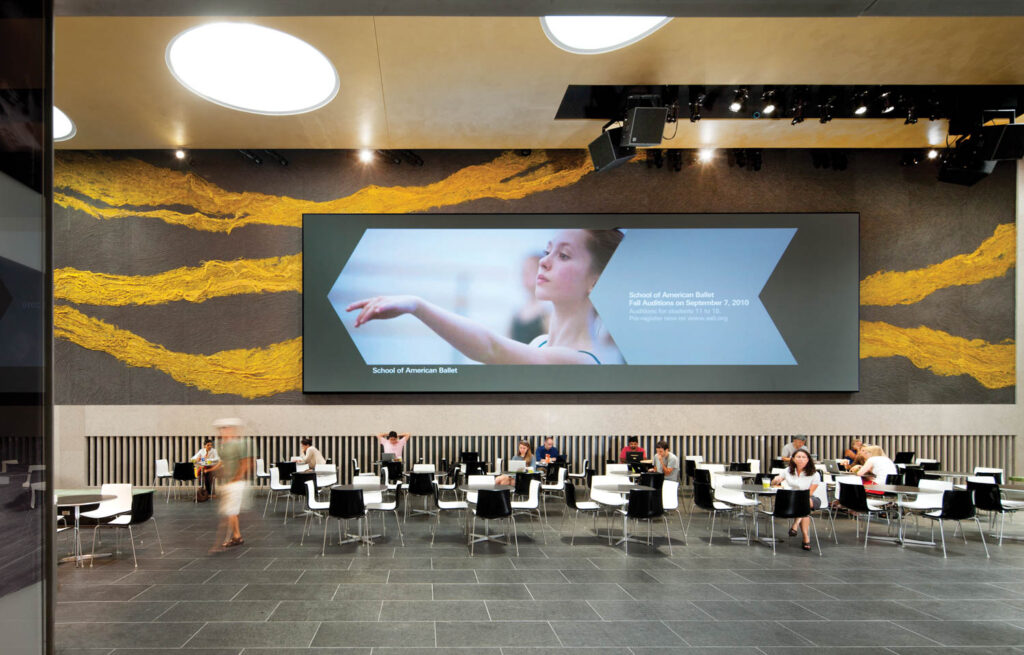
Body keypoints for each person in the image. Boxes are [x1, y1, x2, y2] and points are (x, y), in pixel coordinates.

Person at [346, 228, 624, 365]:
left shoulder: (583, 359)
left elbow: (492, 348)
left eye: (563, 255)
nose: (544, 262)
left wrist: (417, 306)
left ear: (595, 281)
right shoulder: (539, 343)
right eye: (547, 250)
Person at [771, 449, 826, 551]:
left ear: (808, 460)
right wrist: (776, 480)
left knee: (804, 502)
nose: (801, 459)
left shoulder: (815, 474)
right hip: (794, 499)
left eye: (804, 457)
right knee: (804, 511)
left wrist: (798, 498)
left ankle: (795, 525)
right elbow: (774, 483)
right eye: (798, 457)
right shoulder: (788, 470)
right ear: (793, 459)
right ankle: (806, 538)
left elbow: (809, 493)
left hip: (811, 498)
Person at [212, 418, 252, 551]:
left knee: (230, 512)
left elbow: (246, 463)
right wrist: (213, 470)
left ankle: (235, 537)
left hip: (235, 484)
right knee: (232, 513)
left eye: (225, 428)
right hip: (229, 483)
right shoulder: (222, 445)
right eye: (221, 429)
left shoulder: (238, 444)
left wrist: (236, 478)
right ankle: (236, 536)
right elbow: (222, 461)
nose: (223, 431)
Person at [509, 253, 550, 344]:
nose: (525, 275)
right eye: (523, 271)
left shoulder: (548, 312)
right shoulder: (517, 312)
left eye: (530, 271)